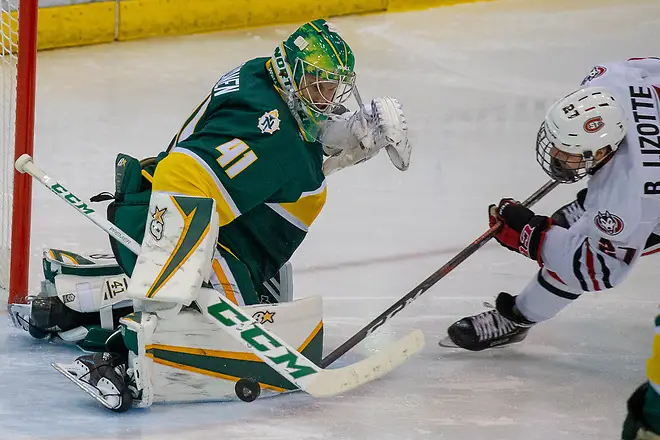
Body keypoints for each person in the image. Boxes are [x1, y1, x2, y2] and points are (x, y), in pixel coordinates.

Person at [19, 18, 411, 411]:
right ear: (294, 74)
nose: (327, 99)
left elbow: (287, 159)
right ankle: (119, 360)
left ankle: (69, 306)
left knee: (244, 296)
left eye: (332, 88)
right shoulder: (269, 132)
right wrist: (176, 275)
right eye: (320, 86)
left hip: (192, 222)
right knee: (210, 320)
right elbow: (186, 175)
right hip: (175, 223)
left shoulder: (262, 76)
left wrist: (345, 137)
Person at [439, 57, 660, 439]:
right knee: (567, 230)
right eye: (558, 145)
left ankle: (518, 317)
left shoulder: (629, 197)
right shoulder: (610, 77)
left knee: (574, 249)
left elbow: (597, 268)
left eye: (570, 154)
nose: (557, 157)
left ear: (605, 152)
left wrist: (529, 235)